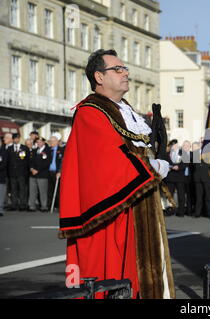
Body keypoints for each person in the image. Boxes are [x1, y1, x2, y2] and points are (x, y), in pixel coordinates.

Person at [59, 49, 175, 299]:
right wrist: (151, 168)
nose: (126, 73)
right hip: (114, 209)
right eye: (118, 69)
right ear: (99, 77)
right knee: (114, 272)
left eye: (125, 69)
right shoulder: (91, 111)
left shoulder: (125, 110)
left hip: (141, 203)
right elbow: (107, 159)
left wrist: (157, 157)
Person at [6, 133, 30, 211]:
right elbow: (7, 161)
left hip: (22, 173)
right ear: (13, 139)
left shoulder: (24, 148)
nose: (16, 139)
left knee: (22, 189)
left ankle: (22, 205)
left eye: (18, 138)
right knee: (13, 189)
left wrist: (26, 172)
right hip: (12, 173)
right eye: (15, 138)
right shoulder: (9, 149)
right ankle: (14, 205)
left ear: (19, 139)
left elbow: (27, 161)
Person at [28, 137, 52, 212]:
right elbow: (30, 161)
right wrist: (31, 169)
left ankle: (44, 206)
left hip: (42, 174)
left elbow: (47, 163)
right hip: (33, 174)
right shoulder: (35, 150)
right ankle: (32, 206)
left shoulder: (48, 151)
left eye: (40, 142)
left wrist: (37, 170)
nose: (38, 143)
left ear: (44, 142)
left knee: (43, 192)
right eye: (37, 142)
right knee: (32, 191)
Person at [192, 141, 210, 218]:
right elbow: (195, 165)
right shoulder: (194, 155)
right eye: (193, 147)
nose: (193, 148)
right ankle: (197, 213)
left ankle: (209, 213)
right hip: (197, 178)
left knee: (208, 196)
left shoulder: (207, 154)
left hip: (206, 178)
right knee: (198, 197)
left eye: (194, 147)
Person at [48, 133, 65, 211]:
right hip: (49, 172)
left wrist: (60, 171)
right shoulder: (48, 150)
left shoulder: (62, 150)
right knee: (50, 190)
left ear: (57, 141)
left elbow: (63, 161)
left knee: (58, 190)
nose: (51, 143)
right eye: (51, 141)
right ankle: (51, 205)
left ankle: (59, 206)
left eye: (53, 141)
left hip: (57, 173)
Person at [0, 137, 7, 217]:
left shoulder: (3, 152)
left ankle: (0, 209)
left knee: (1, 194)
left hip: (1, 176)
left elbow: (4, 164)